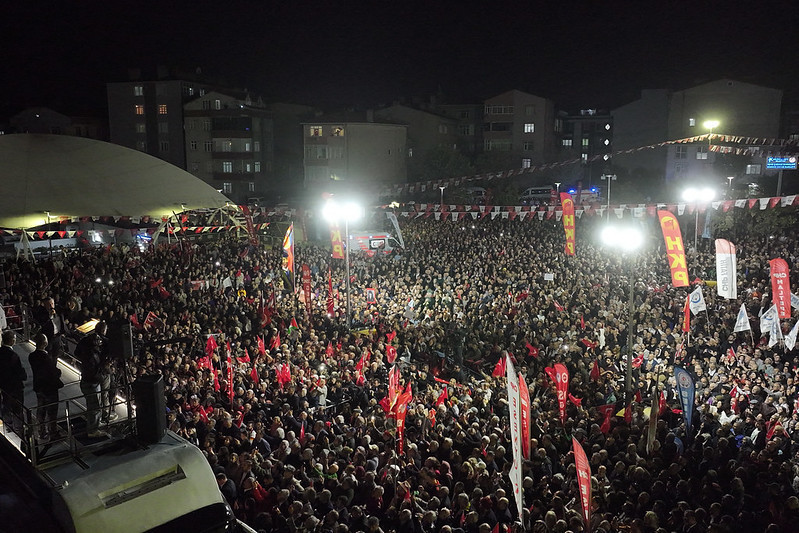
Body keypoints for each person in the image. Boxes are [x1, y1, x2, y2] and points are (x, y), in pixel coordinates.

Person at [76, 321, 110, 438]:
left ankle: (95, 423)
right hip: (91, 382)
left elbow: (77, 352)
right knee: (94, 407)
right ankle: (92, 430)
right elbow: (94, 373)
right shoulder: (93, 357)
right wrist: (105, 371)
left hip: (87, 379)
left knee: (93, 404)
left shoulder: (85, 344)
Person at [29, 333, 63, 440]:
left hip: (39, 386)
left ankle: (41, 431)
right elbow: (52, 372)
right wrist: (58, 372)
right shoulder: (46, 357)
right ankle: (53, 432)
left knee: (41, 410)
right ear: (45, 343)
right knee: (52, 412)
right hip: (49, 388)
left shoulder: (32, 356)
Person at [0, 330, 27, 435]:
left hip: (4, 385)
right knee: (18, 409)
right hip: (15, 387)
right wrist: (23, 375)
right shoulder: (13, 355)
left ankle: (8, 425)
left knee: (6, 405)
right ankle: (18, 429)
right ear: (12, 341)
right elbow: (20, 372)